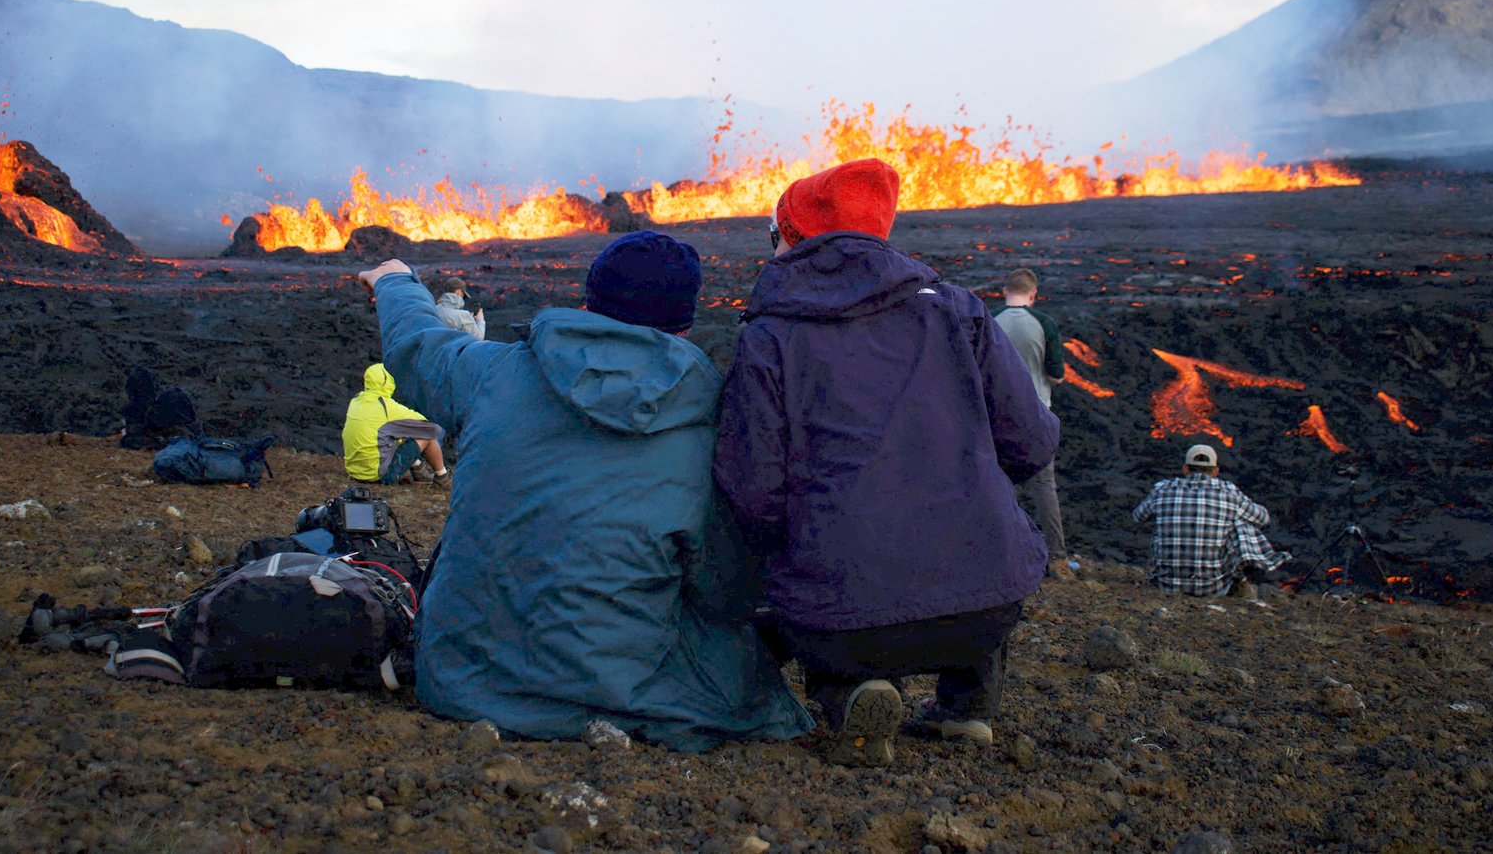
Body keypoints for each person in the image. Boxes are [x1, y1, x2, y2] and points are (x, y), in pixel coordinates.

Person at [356, 232, 812, 751]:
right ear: (684, 326)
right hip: (616, 689)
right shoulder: (709, 425)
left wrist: (395, 281)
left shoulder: (491, 372)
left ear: (587, 302)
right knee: (733, 649)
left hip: (463, 680)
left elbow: (417, 347)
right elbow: (722, 592)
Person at [713, 158, 1060, 767]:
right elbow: (1030, 445)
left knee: (818, 582)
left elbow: (754, 491)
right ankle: (968, 705)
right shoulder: (958, 311)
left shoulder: (770, 336)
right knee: (978, 538)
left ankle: (851, 694)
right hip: (985, 603)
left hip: (844, 611)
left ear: (791, 238)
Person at [990, 268, 1073, 579]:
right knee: (1043, 485)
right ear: (1033, 294)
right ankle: (1058, 559)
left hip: (993, 415)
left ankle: (997, 553)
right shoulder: (1044, 323)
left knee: (994, 482)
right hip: (1036, 413)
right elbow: (1057, 374)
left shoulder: (988, 318)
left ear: (1004, 290)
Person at [1132, 443, 1291, 599]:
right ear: (1215, 471)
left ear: (1185, 469)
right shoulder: (1228, 493)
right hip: (1213, 588)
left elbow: (1138, 517)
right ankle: (1245, 581)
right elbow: (1263, 518)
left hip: (1165, 584)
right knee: (1240, 524)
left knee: (1165, 521)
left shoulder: (1162, 489)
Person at [341, 363, 450, 489]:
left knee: (391, 434)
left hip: (355, 472)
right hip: (379, 475)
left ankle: (420, 472)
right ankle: (442, 478)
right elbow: (432, 429)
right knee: (426, 435)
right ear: (388, 381)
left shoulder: (356, 400)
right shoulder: (387, 407)